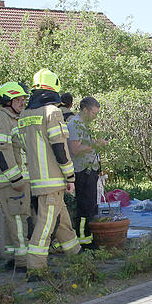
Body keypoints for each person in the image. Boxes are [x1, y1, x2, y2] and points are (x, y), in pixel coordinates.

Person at [19, 68, 80, 279]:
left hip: (37, 179)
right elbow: (60, 148)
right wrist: (70, 176)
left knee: (62, 220)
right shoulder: (53, 112)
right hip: (53, 180)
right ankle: (35, 268)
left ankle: (76, 255)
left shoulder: (25, 114)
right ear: (53, 88)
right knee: (45, 225)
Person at [0, 81, 31, 271]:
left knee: (19, 219)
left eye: (23, 99)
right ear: (8, 101)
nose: (23, 102)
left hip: (19, 180)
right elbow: (1, 150)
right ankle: (23, 262)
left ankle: (17, 257)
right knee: (18, 220)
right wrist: (15, 178)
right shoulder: (1, 118)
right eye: (19, 99)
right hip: (11, 182)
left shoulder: (15, 118)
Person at [66, 96, 106, 247]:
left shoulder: (84, 124)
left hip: (90, 170)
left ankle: (89, 238)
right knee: (85, 208)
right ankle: (84, 241)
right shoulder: (75, 124)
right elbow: (75, 149)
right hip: (82, 171)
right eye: (93, 113)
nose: (95, 117)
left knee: (91, 207)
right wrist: (96, 144)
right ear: (85, 110)